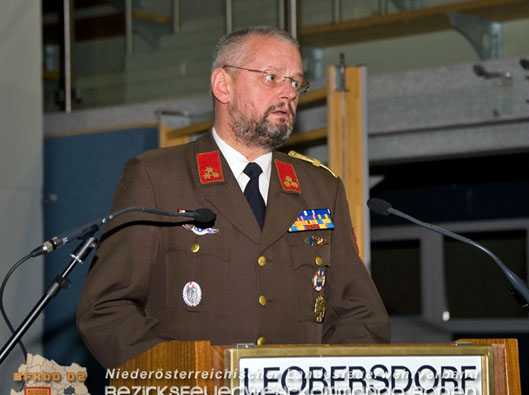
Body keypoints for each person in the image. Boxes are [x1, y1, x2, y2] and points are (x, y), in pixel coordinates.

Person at [76, 26, 390, 369]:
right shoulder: (158, 178)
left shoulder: (319, 188)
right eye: (272, 77)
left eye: (296, 82)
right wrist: (185, 375)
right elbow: (107, 309)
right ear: (222, 85)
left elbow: (359, 313)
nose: (288, 92)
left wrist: (327, 383)